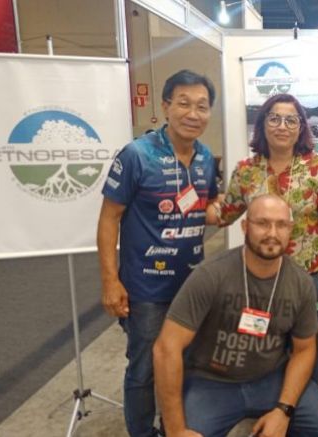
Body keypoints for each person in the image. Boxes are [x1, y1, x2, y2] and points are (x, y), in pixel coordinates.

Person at [153, 194, 318, 437]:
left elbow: (304, 350)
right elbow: (166, 349)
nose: (272, 233)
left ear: (291, 230)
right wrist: (175, 430)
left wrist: (283, 410)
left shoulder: (300, 283)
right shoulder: (211, 274)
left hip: (270, 379)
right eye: (262, 223)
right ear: (245, 226)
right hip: (212, 381)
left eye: (281, 225)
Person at [97, 70, 220, 437]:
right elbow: (109, 219)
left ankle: (173, 429)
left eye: (202, 106)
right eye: (184, 103)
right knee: (144, 368)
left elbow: (208, 207)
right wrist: (110, 281)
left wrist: (244, 207)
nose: (193, 113)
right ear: (166, 106)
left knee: (184, 362)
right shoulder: (137, 155)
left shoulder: (206, 158)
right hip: (146, 288)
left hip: (191, 286)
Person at [209, 93, 318, 383]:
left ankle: (301, 405)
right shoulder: (246, 171)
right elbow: (226, 214)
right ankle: (264, 404)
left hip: (309, 278)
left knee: (304, 347)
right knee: (261, 345)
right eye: (274, 119)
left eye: (290, 120)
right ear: (262, 124)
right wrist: (193, 203)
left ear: (301, 127)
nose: (282, 126)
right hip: (259, 277)